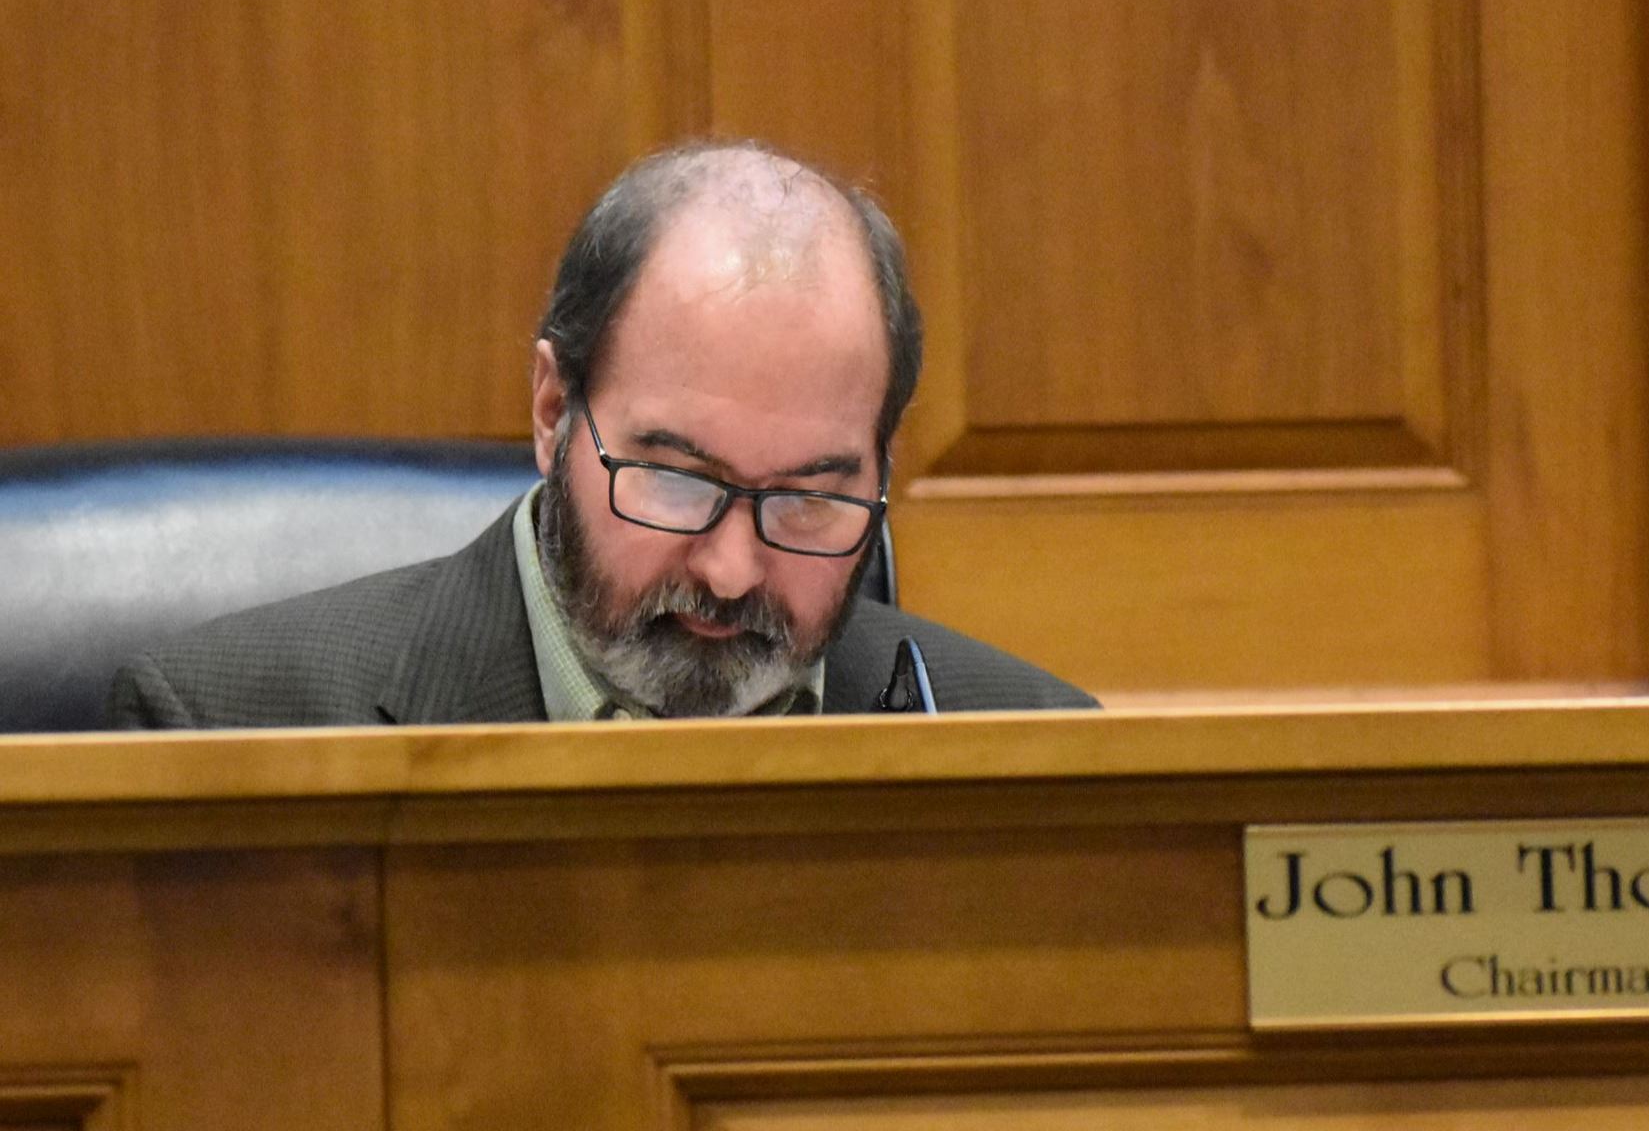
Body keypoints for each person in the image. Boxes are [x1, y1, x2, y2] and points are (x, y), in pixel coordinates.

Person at [110, 141, 1095, 727]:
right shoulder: (225, 727)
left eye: (807, 497)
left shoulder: (1034, 753)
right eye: (677, 478)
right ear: (553, 413)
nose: (729, 572)